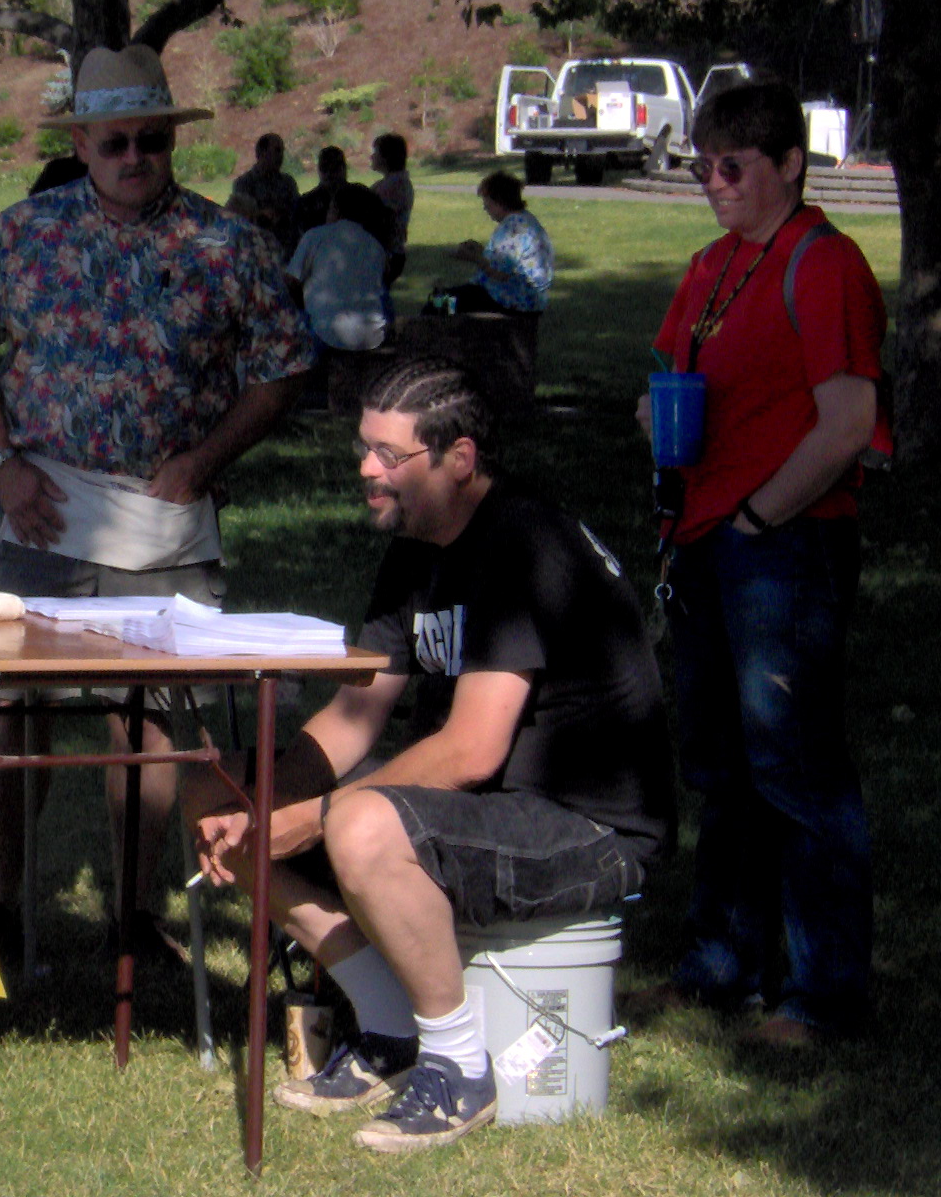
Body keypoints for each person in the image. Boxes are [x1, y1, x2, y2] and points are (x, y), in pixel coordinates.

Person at [185, 358, 672, 1152]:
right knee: (220, 793)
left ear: (460, 458)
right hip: (486, 809)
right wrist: (260, 806)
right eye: (363, 449)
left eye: (389, 455)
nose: (366, 470)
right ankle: (390, 1027)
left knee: (360, 825)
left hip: (586, 826)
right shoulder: (417, 545)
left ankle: (458, 1067)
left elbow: (472, 750)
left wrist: (313, 819)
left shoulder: (521, 545)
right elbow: (355, 715)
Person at [0, 42, 311, 966]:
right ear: (82, 144)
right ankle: (0, 906)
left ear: (171, 139)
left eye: (151, 140)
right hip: (43, 512)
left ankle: (133, 916)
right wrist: (0, 463)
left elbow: (283, 370)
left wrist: (207, 458)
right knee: (11, 711)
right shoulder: (25, 233)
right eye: (114, 143)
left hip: (167, 518)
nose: (135, 157)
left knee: (152, 722)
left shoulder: (228, 245)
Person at [644, 81, 886, 1046]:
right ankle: (723, 966)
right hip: (710, 538)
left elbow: (849, 424)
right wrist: (658, 418)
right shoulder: (713, 265)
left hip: (782, 542)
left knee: (794, 764)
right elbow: (669, 375)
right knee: (722, 764)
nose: (715, 182)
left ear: (790, 164)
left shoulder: (823, 263)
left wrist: (755, 516)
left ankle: (823, 992)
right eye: (703, 167)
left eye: (734, 167)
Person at [288, 182, 390, 355]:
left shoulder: (315, 236)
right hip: (371, 337)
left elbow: (291, 282)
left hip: (325, 334)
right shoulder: (375, 245)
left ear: (336, 210)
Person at [441, 172, 551, 315]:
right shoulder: (525, 219)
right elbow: (506, 259)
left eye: (487, 202)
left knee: (439, 302)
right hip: (529, 299)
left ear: (499, 201)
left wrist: (474, 258)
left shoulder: (513, 226)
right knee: (450, 298)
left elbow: (500, 273)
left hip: (511, 300)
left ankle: (431, 328)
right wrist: (481, 251)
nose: (485, 207)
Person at [300, 146, 394, 252]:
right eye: (325, 168)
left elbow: (382, 230)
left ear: (344, 169)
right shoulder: (307, 202)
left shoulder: (363, 197)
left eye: (335, 168)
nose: (329, 173)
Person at [229, 132, 303, 260]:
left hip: (288, 247)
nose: (281, 156)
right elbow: (241, 217)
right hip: (258, 248)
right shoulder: (244, 183)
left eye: (282, 151)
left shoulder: (287, 182)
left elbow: (298, 210)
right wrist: (262, 214)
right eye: (277, 151)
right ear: (262, 153)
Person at [370, 133, 415, 287]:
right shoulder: (388, 183)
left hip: (388, 254)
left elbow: (379, 219)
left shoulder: (395, 185)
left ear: (386, 157)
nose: (371, 157)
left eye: (376, 152)